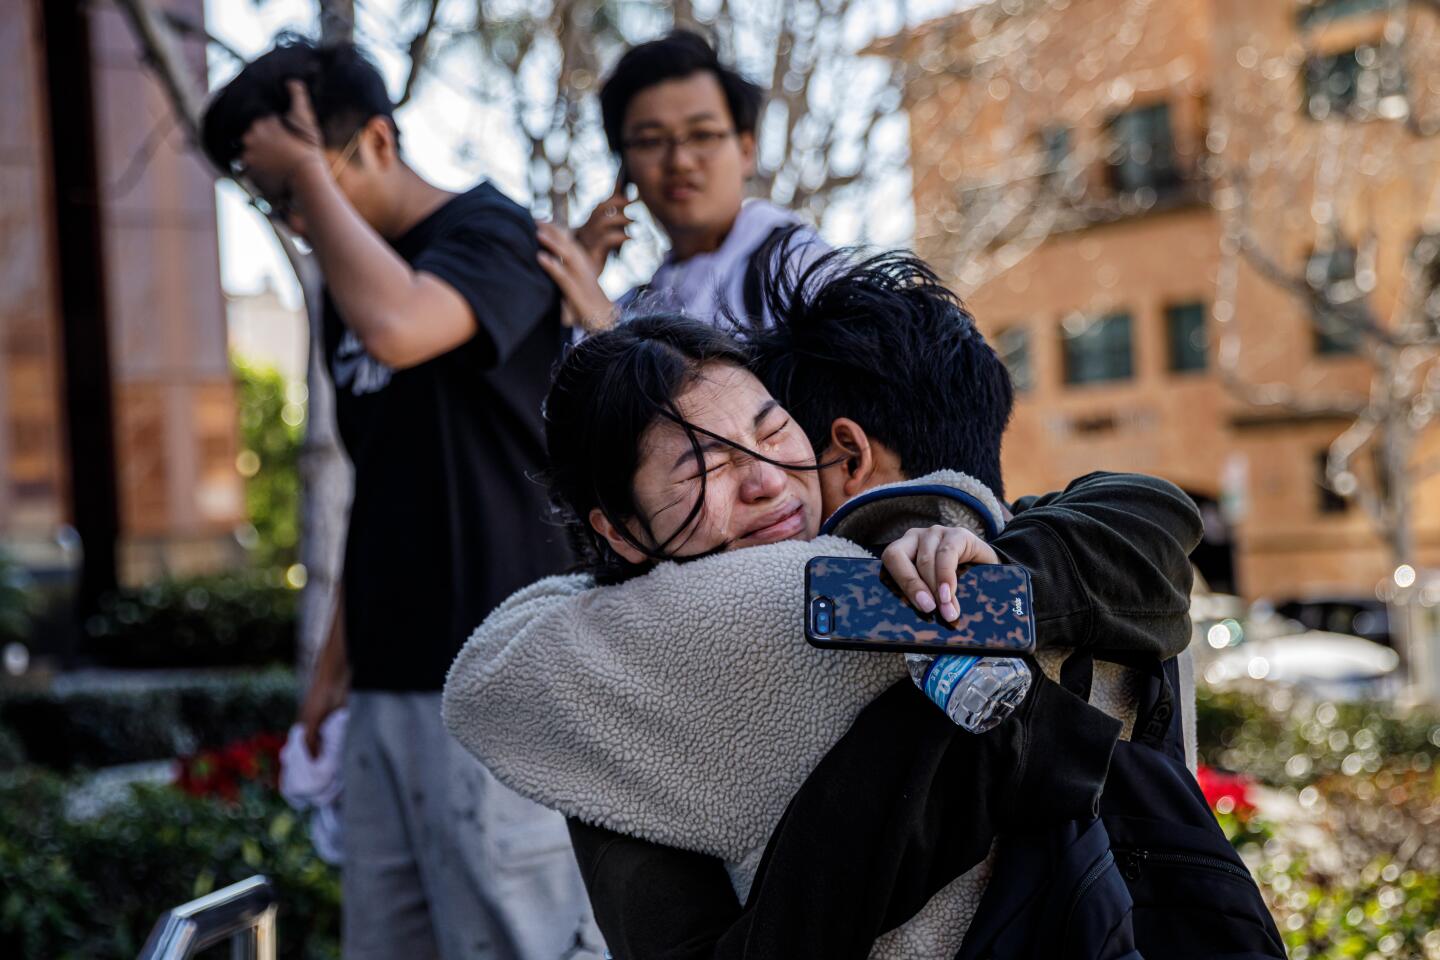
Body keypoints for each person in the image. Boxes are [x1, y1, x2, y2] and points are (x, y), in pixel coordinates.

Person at [444, 248, 1203, 956]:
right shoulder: (1070, 550)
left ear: (842, 447)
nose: (766, 478)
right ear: (619, 530)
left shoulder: (592, 661)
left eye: (772, 430)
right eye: (701, 469)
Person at [201, 39, 601, 960]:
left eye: (297, 192)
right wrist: (333, 669)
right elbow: (380, 484)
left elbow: (402, 325)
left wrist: (307, 170)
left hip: (502, 674)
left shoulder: (494, 235)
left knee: (515, 943)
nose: (298, 222)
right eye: (272, 202)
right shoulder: (350, 275)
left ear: (377, 140)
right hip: (387, 687)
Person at [536, 30, 825, 332]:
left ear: (746, 149)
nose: (680, 161)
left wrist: (604, 326)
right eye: (650, 141)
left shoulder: (799, 268)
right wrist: (570, 302)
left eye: (702, 135)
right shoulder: (635, 305)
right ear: (626, 170)